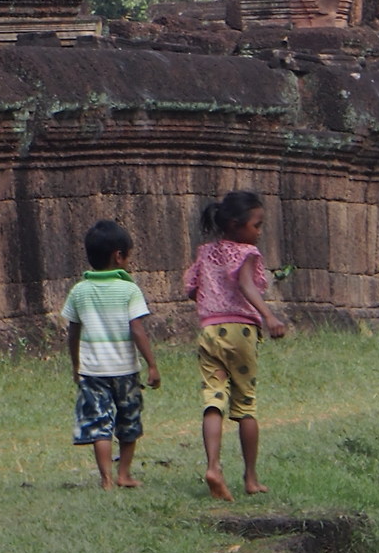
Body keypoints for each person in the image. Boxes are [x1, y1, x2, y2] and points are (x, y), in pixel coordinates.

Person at [183, 190, 287, 501]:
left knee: (213, 399)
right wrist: (268, 316)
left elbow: (192, 288)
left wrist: (213, 297)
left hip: (209, 331)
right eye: (257, 225)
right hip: (240, 331)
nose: (259, 231)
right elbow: (244, 285)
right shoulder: (245, 253)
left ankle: (214, 466)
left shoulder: (205, 252)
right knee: (245, 405)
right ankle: (251, 478)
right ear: (235, 224)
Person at [62, 219, 162, 490]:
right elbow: (137, 330)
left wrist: (76, 364)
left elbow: (73, 332)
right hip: (125, 370)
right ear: (119, 255)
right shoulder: (129, 289)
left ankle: (106, 478)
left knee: (99, 424)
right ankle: (124, 474)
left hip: (92, 371)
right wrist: (152, 364)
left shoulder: (79, 291)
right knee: (128, 421)